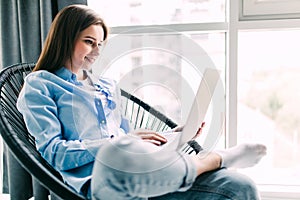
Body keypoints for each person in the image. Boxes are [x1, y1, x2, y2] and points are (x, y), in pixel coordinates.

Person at [16, 4, 267, 200]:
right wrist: (119, 143)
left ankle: (190, 163)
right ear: (65, 38)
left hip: (144, 175)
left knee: (239, 186)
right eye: (89, 42)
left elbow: (126, 137)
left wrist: (171, 136)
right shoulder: (41, 85)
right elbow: (55, 154)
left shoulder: (106, 86)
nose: (96, 52)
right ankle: (211, 160)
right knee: (118, 152)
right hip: (98, 184)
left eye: (100, 44)